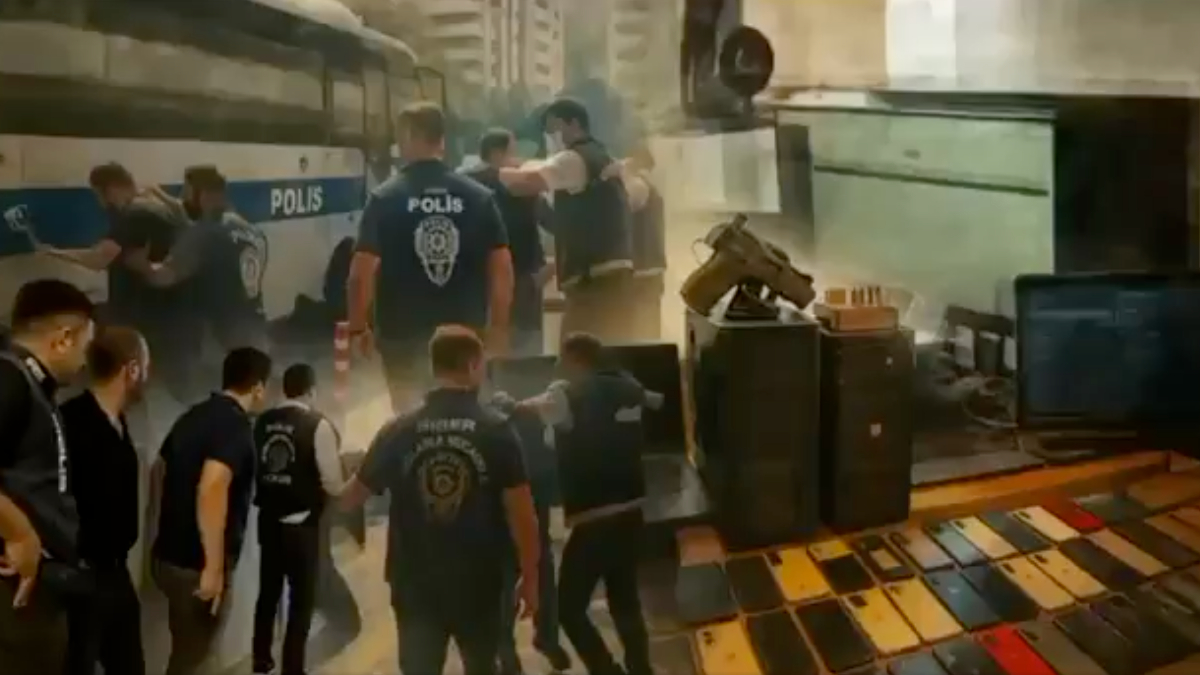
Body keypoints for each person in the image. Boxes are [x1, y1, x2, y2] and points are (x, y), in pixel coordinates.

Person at [339, 326, 541, 675]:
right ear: (474, 365)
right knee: (483, 667)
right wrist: (532, 579)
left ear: (435, 367)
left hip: (415, 583)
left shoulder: (398, 430)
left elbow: (350, 498)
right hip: (479, 582)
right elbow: (522, 515)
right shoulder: (495, 430)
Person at [346, 102, 515, 412]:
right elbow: (502, 269)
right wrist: (499, 329)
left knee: (410, 416)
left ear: (409, 135)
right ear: (442, 140)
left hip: (402, 336)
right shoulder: (479, 198)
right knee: (466, 413)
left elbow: (361, 272)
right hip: (464, 335)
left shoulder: (385, 198)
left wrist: (358, 327)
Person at [514, 332, 662, 675]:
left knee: (569, 609)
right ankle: (641, 669)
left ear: (577, 360)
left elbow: (529, 409)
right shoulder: (629, 387)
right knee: (625, 601)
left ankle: (605, 670)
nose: (559, 366)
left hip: (594, 519)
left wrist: (507, 403)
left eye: (563, 359)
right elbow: (655, 401)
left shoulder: (565, 394)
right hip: (631, 512)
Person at [151, 347, 272, 675]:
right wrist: (213, 566)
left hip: (168, 557)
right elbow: (212, 487)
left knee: (189, 652)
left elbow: (160, 469)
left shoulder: (192, 416)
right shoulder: (235, 426)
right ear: (258, 387)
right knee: (198, 660)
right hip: (196, 565)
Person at [0, 279, 95, 675]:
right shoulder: (10, 379)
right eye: (85, 346)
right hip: (15, 592)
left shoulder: (36, 388)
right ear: (63, 339)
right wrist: (20, 533)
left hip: (43, 586)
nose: (85, 361)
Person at [37, 163, 192, 404]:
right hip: (171, 307)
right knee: (169, 379)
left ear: (110, 189)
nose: (102, 204)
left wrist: (52, 251)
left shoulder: (134, 214)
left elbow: (99, 258)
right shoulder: (156, 206)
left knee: (133, 376)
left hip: (145, 310)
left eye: (99, 195)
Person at [498, 97, 648, 344]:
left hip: (593, 282)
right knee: (615, 348)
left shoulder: (574, 158)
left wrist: (495, 171)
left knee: (577, 353)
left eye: (554, 128)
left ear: (574, 124)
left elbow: (525, 184)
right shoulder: (601, 157)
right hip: (614, 275)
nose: (550, 136)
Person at [61, 326, 149, 675]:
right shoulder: (70, 422)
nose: (147, 376)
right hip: (81, 576)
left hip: (115, 573)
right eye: (145, 367)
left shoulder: (119, 423)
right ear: (131, 370)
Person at [251, 363, 348, 675]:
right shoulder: (318, 425)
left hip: (267, 521)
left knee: (268, 593)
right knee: (301, 600)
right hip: (302, 526)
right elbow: (333, 483)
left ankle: (261, 659)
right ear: (311, 390)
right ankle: (292, 668)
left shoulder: (262, 421)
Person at [127, 166, 270, 356]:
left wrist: (141, 265)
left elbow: (165, 276)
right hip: (256, 330)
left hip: (221, 340)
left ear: (203, 195)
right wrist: (158, 193)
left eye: (187, 193)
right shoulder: (254, 232)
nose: (184, 200)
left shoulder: (202, 234)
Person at [465, 129, 553, 357]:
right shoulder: (520, 185)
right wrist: (550, 269)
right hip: (522, 281)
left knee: (481, 356)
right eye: (512, 152)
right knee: (526, 355)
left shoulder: (463, 185)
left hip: (477, 286)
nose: (517, 159)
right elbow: (557, 224)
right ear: (497, 153)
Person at [611, 145, 666, 341]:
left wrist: (622, 172)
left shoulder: (637, 186)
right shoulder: (648, 186)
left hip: (642, 270)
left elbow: (623, 211)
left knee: (641, 330)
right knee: (646, 327)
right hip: (649, 269)